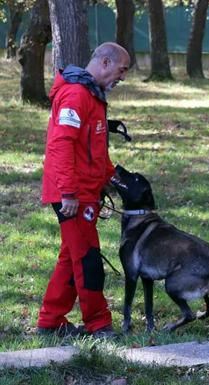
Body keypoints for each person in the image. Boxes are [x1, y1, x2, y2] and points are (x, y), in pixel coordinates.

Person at [37, 42, 130, 337]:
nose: (122, 77)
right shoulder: (76, 95)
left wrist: (110, 178)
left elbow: (94, 148)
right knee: (88, 258)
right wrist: (68, 193)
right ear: (105, 62)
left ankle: (50, 322)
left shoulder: (92, 95)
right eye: (121, 69)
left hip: (83, 192)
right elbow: (61, 144)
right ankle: (99, 324)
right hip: (72, 196)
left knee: (71, 256)